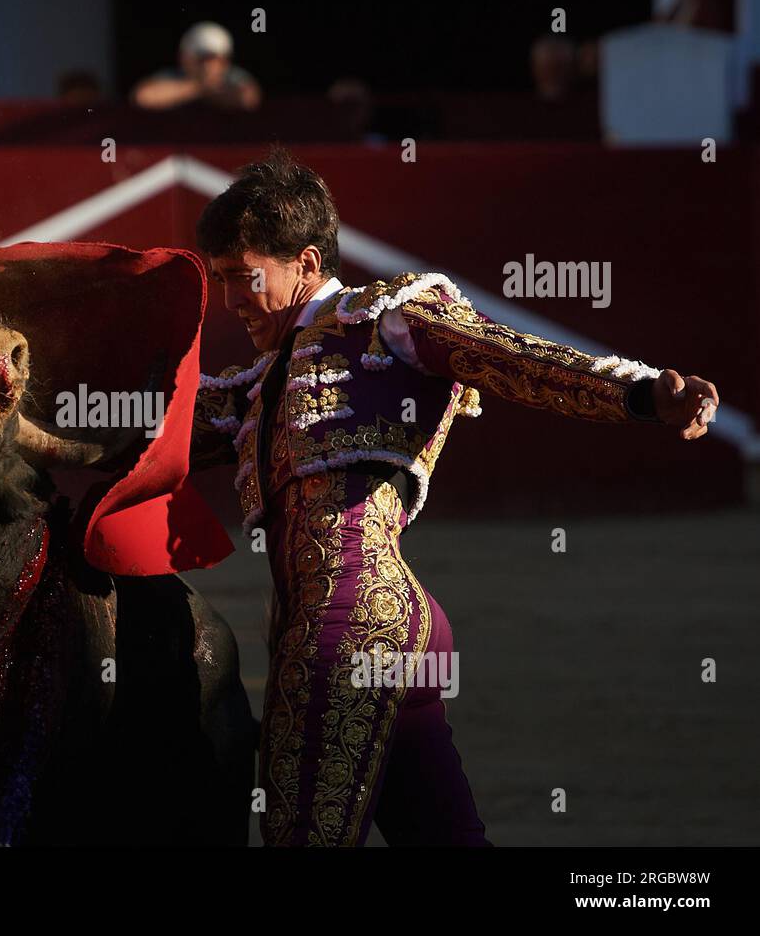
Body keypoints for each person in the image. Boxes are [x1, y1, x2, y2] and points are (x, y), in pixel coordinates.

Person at [188, 149, 718, 846]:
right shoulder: (256, 387)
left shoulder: (387, 320)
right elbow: (161, 425)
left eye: (241, 276)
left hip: (343, 626)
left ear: (307, 264)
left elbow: (510, 357)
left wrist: (643, 393)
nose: (229, 300)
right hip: (378, 626)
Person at [132, 21, 260, 111]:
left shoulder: (234, 77)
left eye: (211, 59)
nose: (206, 65)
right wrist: (199, 87)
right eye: (201, 59)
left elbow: (248, 99)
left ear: (224, 60)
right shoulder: (173, 75)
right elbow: (142, 97)